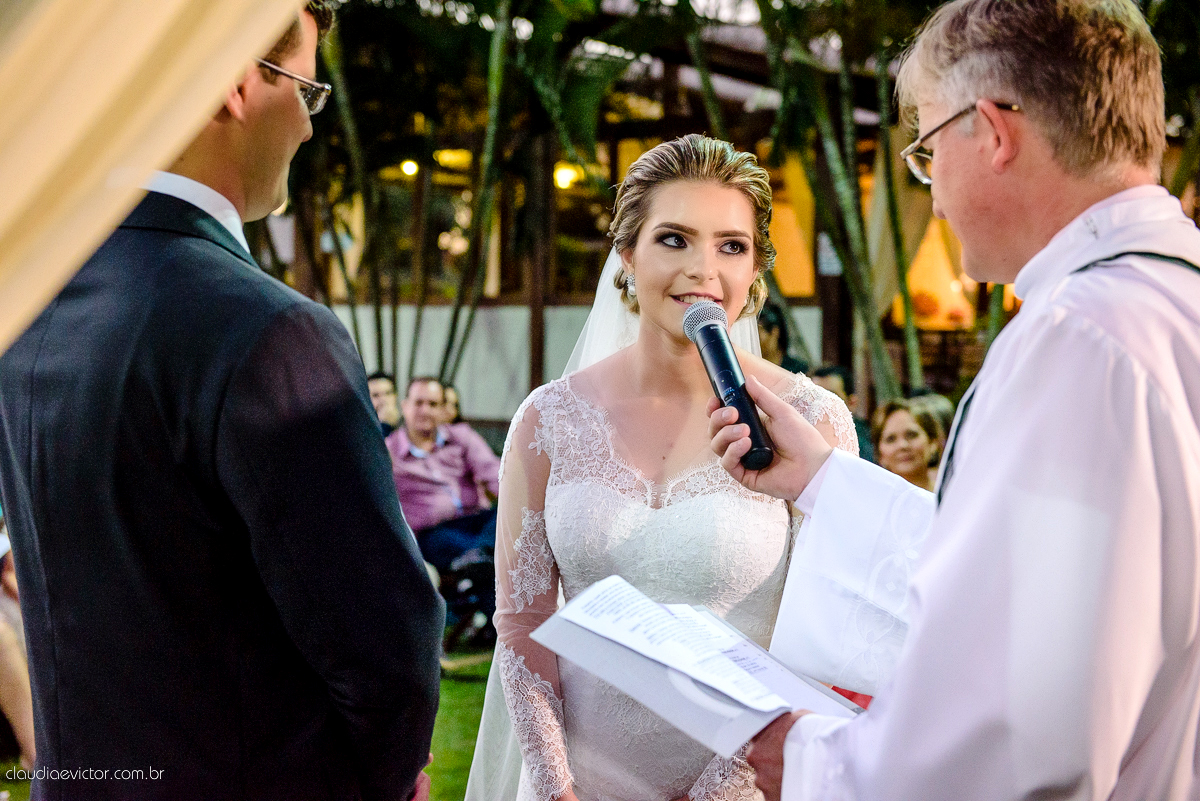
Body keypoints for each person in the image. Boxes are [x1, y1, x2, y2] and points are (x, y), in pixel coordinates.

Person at [710, 1, 1200, 798]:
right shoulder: (1168, 304)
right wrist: (826, 481)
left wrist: (814, 760)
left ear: (994, 132)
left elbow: (1018, 727)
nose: (931, 194)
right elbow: (1065, 575)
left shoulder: (1078, 343)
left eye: (927, 150)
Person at [0, 4, 444, 799]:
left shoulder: (29, 300)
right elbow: (388, 648)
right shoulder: (270, 331)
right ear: (238, 84)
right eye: (306, 93)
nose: (309, 130)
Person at [467, 134, 895, 801]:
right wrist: (555, 787)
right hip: (577, 779)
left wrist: (722, 789)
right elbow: (523, 623)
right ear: (626, 253)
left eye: (731, 245)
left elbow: (824, 645)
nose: (704, 269)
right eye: (674, 239)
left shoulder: (811, 420)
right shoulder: (545, 421)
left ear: (756, 268)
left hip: (743, 784)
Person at [387, 376, 501, 577]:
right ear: (405, 406)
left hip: (475, 521)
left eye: (432, 404)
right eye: (418, 403)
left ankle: (482, 556)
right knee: (447, 542)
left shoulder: (461, 437)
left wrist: (518, 500)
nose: (425, 410)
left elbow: (494, 472)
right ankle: (485, 558)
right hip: (433, 533)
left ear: (443, 410)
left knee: (505, 513)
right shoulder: (390, 451)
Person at [871, 399, 942, 492]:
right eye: (891, 439)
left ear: (932, 442)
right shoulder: (873, 504)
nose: (902, 445)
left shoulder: (953, 495)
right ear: (880, 454)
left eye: (911, 435)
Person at [811, 365, 874, 462]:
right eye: (814, 396)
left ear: (851, 403)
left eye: (830, 397)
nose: (820, 404)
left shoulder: (867, 446)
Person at [757, 301, 809, 375]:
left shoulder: (798, 370)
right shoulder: (752, 367)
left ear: (774, 332)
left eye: (758, 336)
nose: (755, 342)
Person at [368, 370, 402, 437]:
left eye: (388, 393)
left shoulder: (410, 426)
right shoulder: (360, 431)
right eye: (375, 395)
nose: (383, 400)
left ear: (395, 396)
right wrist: (385, 425)